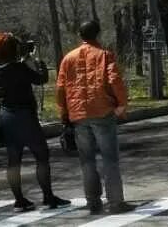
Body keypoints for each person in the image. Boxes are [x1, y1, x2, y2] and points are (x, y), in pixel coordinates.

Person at [56, 21, 133, 216]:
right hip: (102, 112)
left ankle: (93, 202)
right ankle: (116, 202)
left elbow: (61, 88)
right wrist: (122, 105)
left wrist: (64, 114)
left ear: (80, 35)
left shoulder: (68, 58)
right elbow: (114, 80)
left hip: (78, 115)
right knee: (110, 159)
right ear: (97, 34)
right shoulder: (104, 55)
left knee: (87, 161)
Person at [0, 33, 70, 212]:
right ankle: (48, 196)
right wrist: (37, 63)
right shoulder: (19, 68)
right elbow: (41, 79)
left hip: (6, 116)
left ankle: (19, 200)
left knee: (13, 160)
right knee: (41, 155)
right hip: (24, 115)